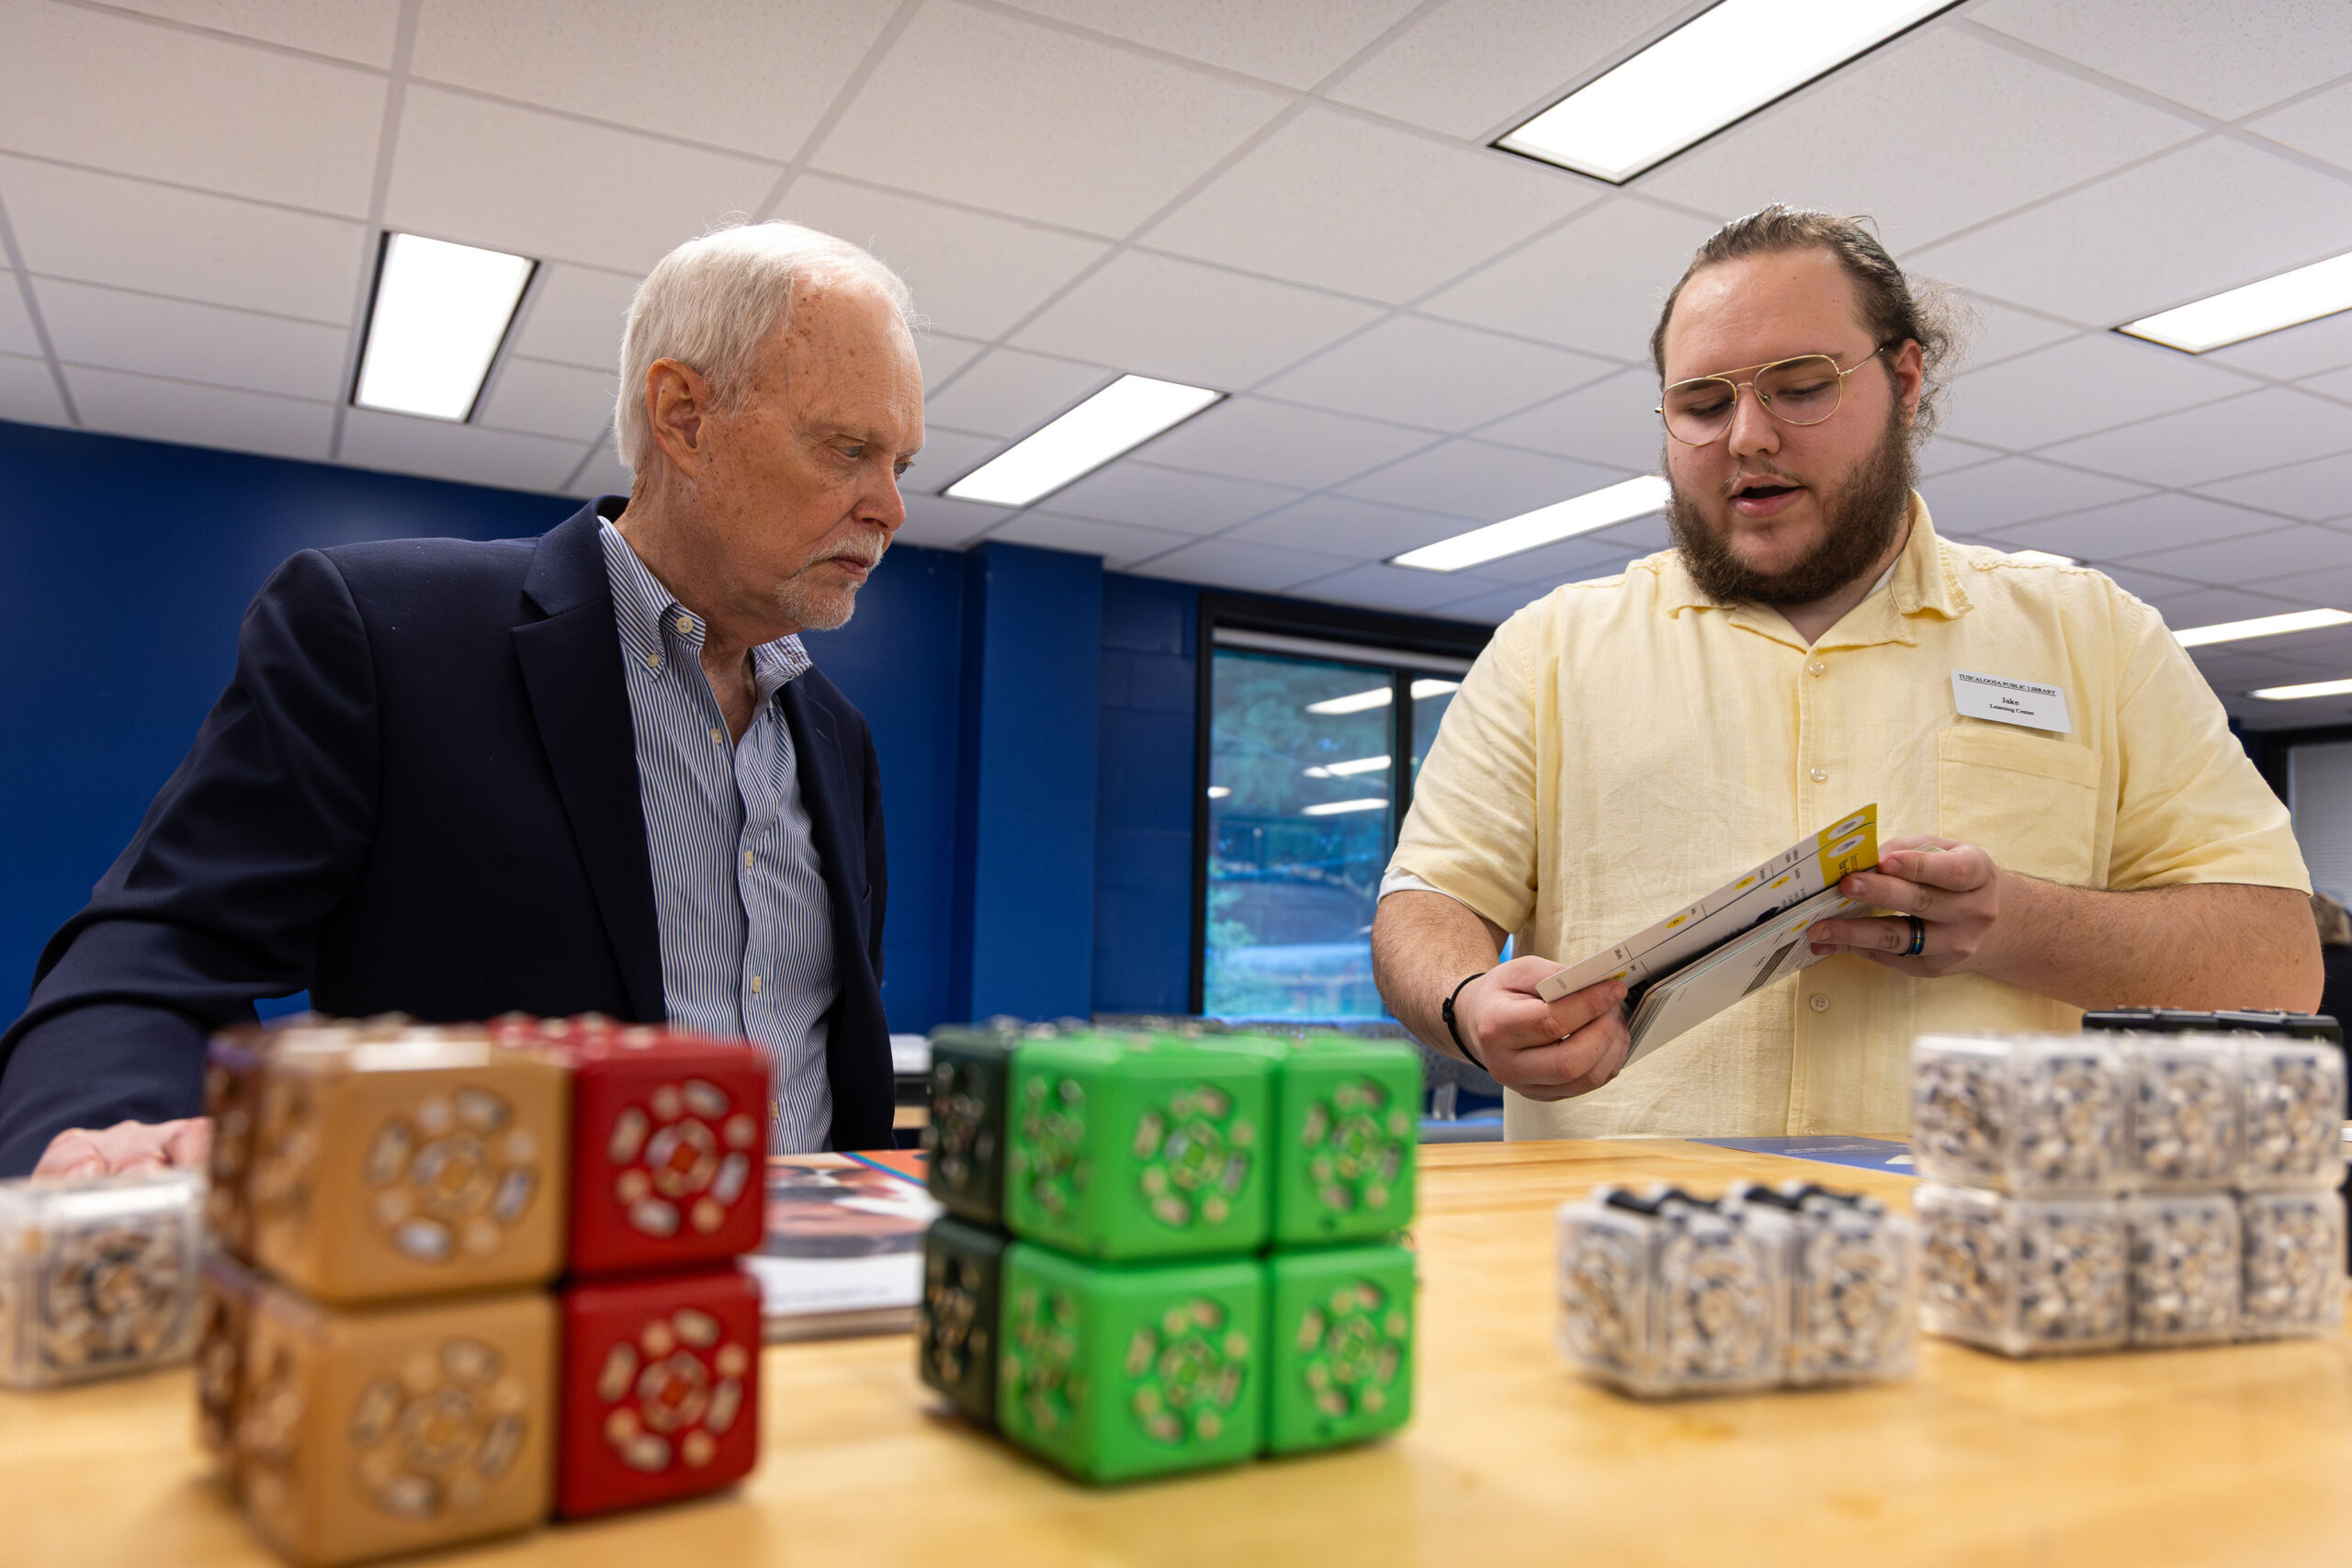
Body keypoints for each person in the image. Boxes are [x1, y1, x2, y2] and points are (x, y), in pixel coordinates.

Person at [1374, 206, 2321, 1141]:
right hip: (1617, 1258)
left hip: (1969, 1272)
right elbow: (1424, 907)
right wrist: (1464, 1003)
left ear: (1905, 382)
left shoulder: (2094, 635)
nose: (1746, 435)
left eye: (1799, 387)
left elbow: (2276, 966)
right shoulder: (1549, 650)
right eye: (1702, 404)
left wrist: (2014, 925)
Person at [0, 220, 925, 1176]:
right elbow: (159, 950)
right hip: (497, 1299)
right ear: (684, 418)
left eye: (900, 466)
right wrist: (104, 1141)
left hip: (824, 1304)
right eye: (847, 448)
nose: (890, 509)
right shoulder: (386, 636)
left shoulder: (833, 736)